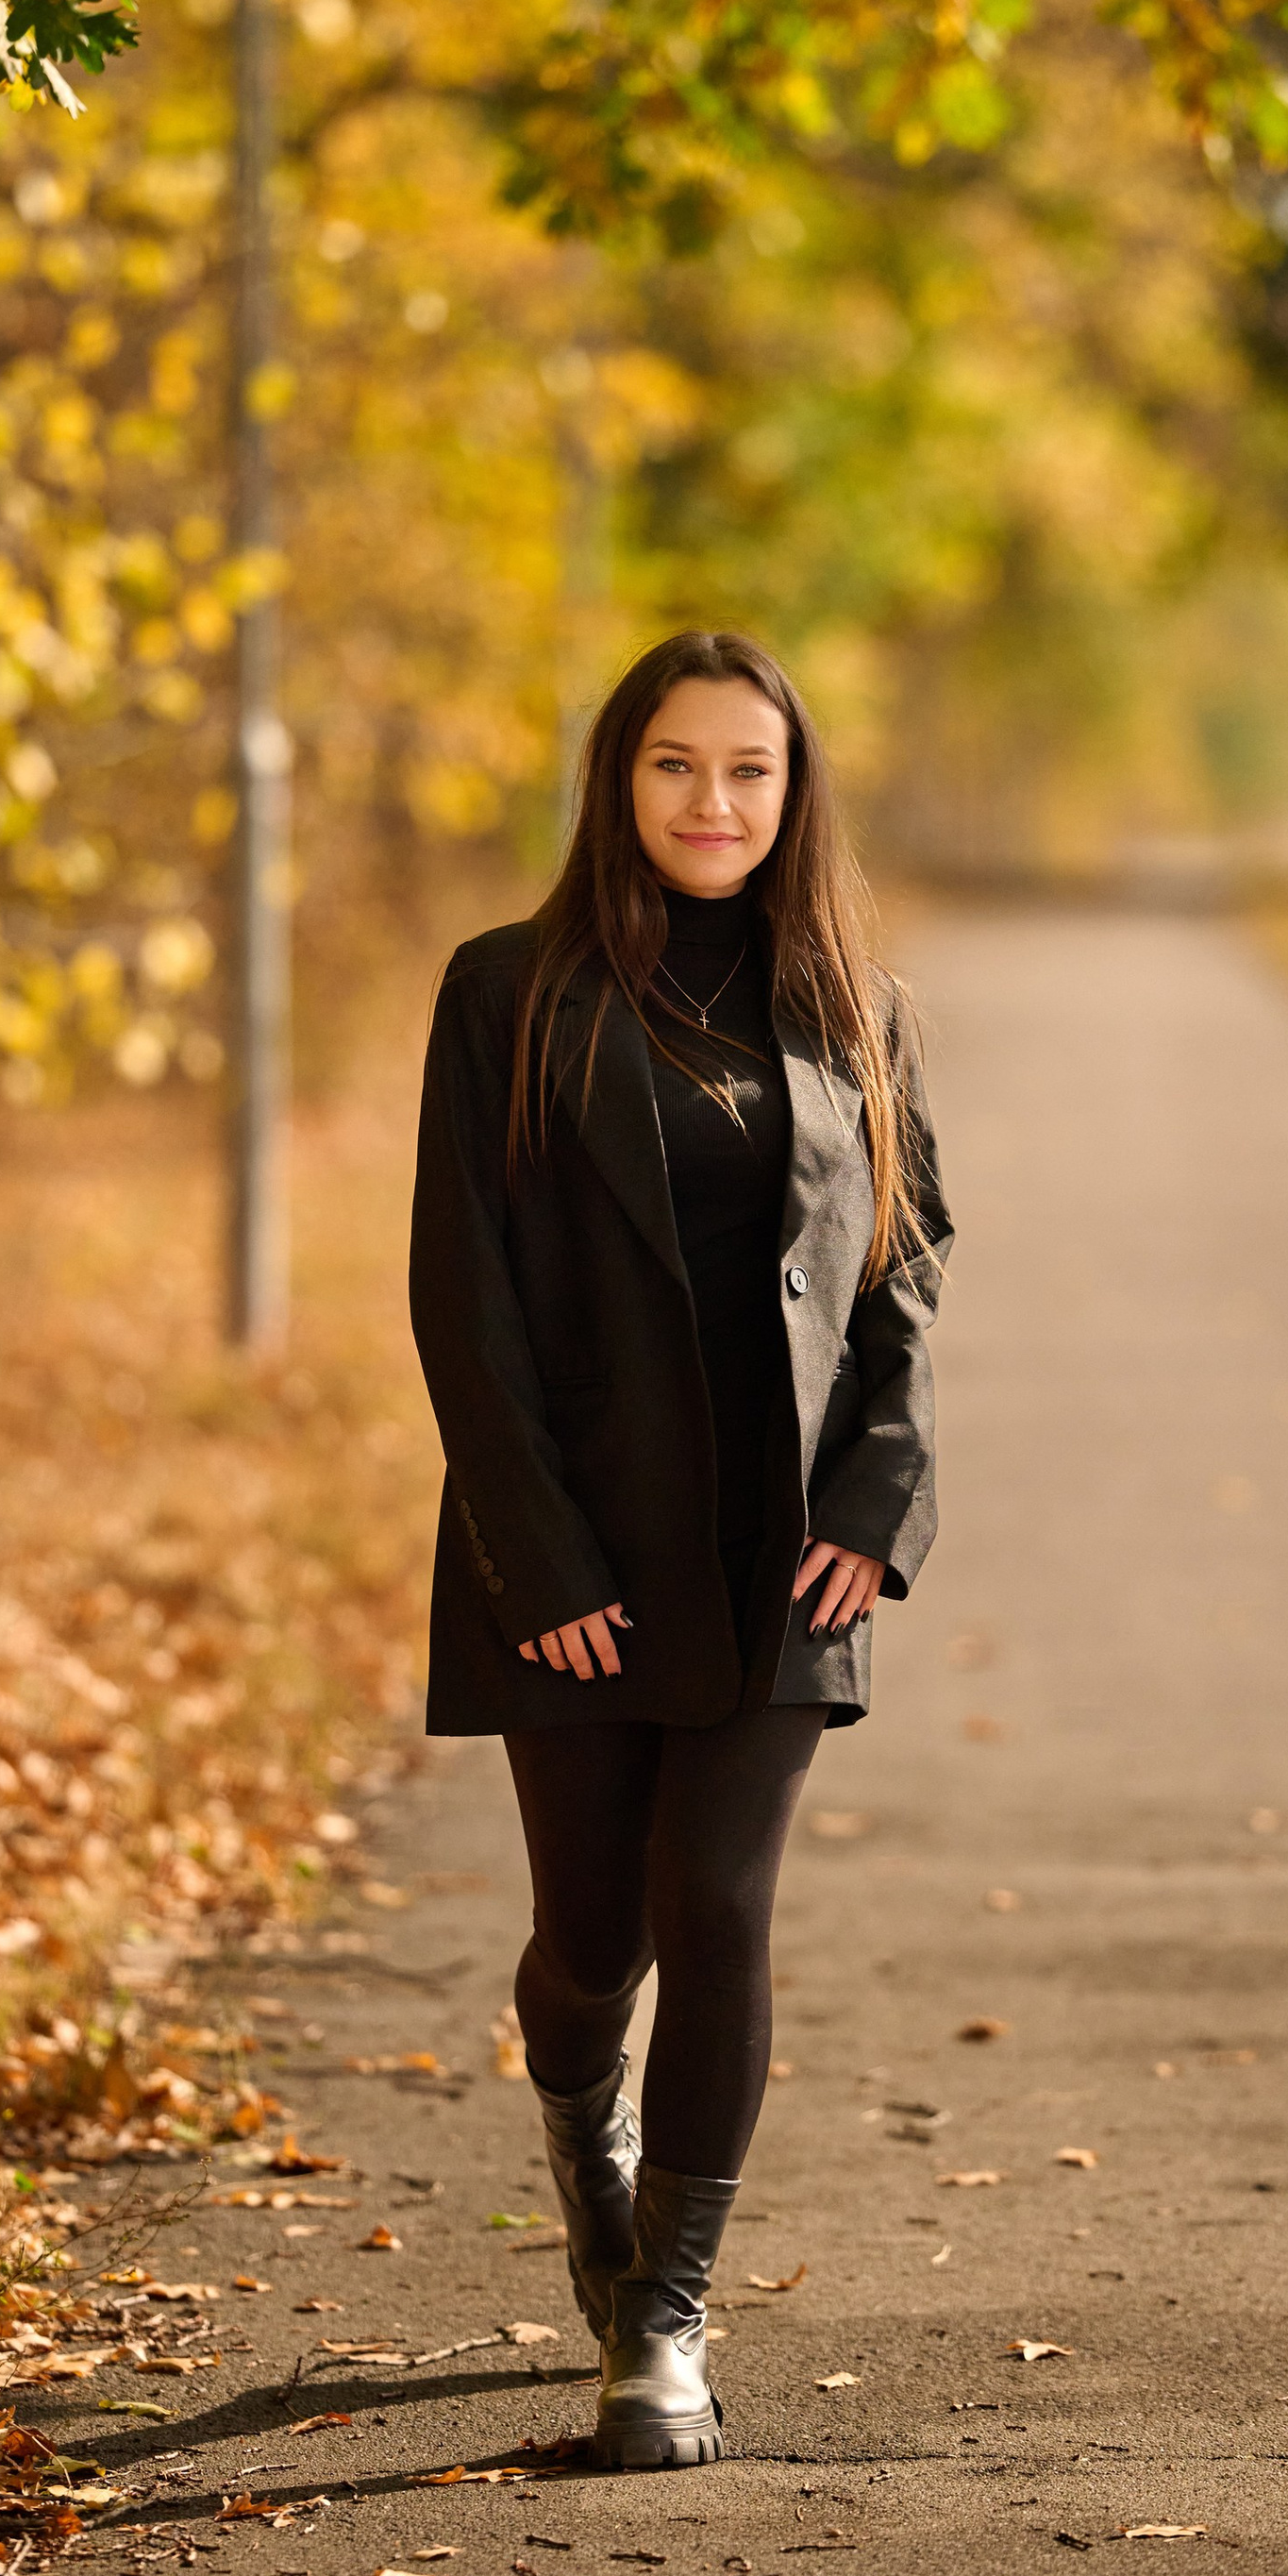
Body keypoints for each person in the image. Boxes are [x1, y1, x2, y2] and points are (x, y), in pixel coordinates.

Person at [409, 629, 951, 2467]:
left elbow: (903, 1273)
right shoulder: (505, 993)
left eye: (746, 771)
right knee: (590, 1941)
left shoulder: (855, 1003)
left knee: (714, 1904)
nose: (710, 804)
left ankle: (664, 2322)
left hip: (783, 1547)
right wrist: (533, 1555)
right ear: (614, 783)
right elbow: (457, 1301)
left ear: (790, 796)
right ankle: (584, 2126)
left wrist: (879, 1505)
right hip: (577, 1547)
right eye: (673, 768)